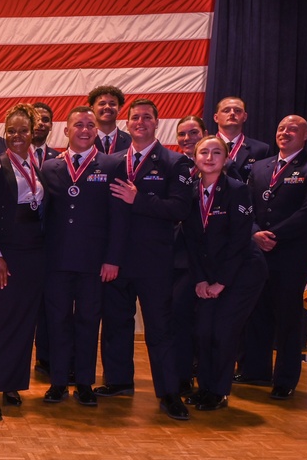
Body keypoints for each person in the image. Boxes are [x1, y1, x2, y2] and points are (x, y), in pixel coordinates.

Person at [101, 99, 194, 420]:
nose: (141, 122)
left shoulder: (175, 163)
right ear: (127, 124)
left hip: (154, 262)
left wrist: (140, 200)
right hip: (115, 260)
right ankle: (118, 381)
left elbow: (180, 209)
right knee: (115, 323)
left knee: (159, 329)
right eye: (135, 117)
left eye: (147, 117)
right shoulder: (111, 162)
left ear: (157, 123)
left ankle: (169, 392)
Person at [39, 107, 129, 406]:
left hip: (94, 262)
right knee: (57, 321)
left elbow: (118, 217)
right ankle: (58, 382)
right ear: (66, 130)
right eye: (78, 125)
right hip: (56, 261)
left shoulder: (112, 164)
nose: (85, 130)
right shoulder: (50, 166)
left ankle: (86, 383)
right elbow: (43, 216)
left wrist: (113, 258)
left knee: (89, 321)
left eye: (90, 125)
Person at [240, 115, 307, 399]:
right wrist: (254, 232)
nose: (285, 132)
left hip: (290, 256)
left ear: (305, 135)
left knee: (288, 321)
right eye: (281, 128)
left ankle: (285, 379)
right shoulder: (260, 167)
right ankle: (255, 370)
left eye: (293, 129)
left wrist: (273, 236)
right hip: (257, 252)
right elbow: (246, 206)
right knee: (256, 313)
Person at [0, 104, 46, 420]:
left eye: (23, 131)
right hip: (3, 256)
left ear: (33, 133)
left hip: (34, 255)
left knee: (24, 321)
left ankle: (11, 383)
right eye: (12, 131)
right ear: (5, 133)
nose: (17, 136)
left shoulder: (38, 165)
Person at [183, 136, 267, 410]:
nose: (209, 157)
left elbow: (240, 241)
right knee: (203, 330)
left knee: (223, 331)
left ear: (227, 158)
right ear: (195, 158)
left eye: (216, 152)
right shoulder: (191, 192)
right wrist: (200, 279)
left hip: (242, 273)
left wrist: (221, 282)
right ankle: (205, 387)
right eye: (203, 152)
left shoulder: (237, 190)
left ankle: (218, 391)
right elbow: (191, 241)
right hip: (209, 274)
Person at [171, 115, 207, 394]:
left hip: (209, 261)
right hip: (178, 258)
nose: (187, 139)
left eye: (193, 132)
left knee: (206, 325)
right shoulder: (174, 167)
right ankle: (183, 376)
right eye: (182, 134)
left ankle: (207, 378)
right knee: (180, 320)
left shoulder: (221, 172)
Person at [30, 100, 59, 374]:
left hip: (51, 244)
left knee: (51, 305)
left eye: (46, 119)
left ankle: (47, 359)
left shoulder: (61, 158)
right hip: (17, 245)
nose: (40, 123)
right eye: (36, 119)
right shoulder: (7, 157)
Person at [212, 96, 272, 183]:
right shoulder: (202, 148)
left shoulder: (261, 150)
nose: (232, 113)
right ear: (216, 118)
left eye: (237, 111)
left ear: (245, 117)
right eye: (226, 110)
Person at [88, 85, 130, 154]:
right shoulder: (83, 140)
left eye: (112, 104)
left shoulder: (131, 141)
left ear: (119, 108)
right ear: (92, 108)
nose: (107, 107)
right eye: (102, 104)